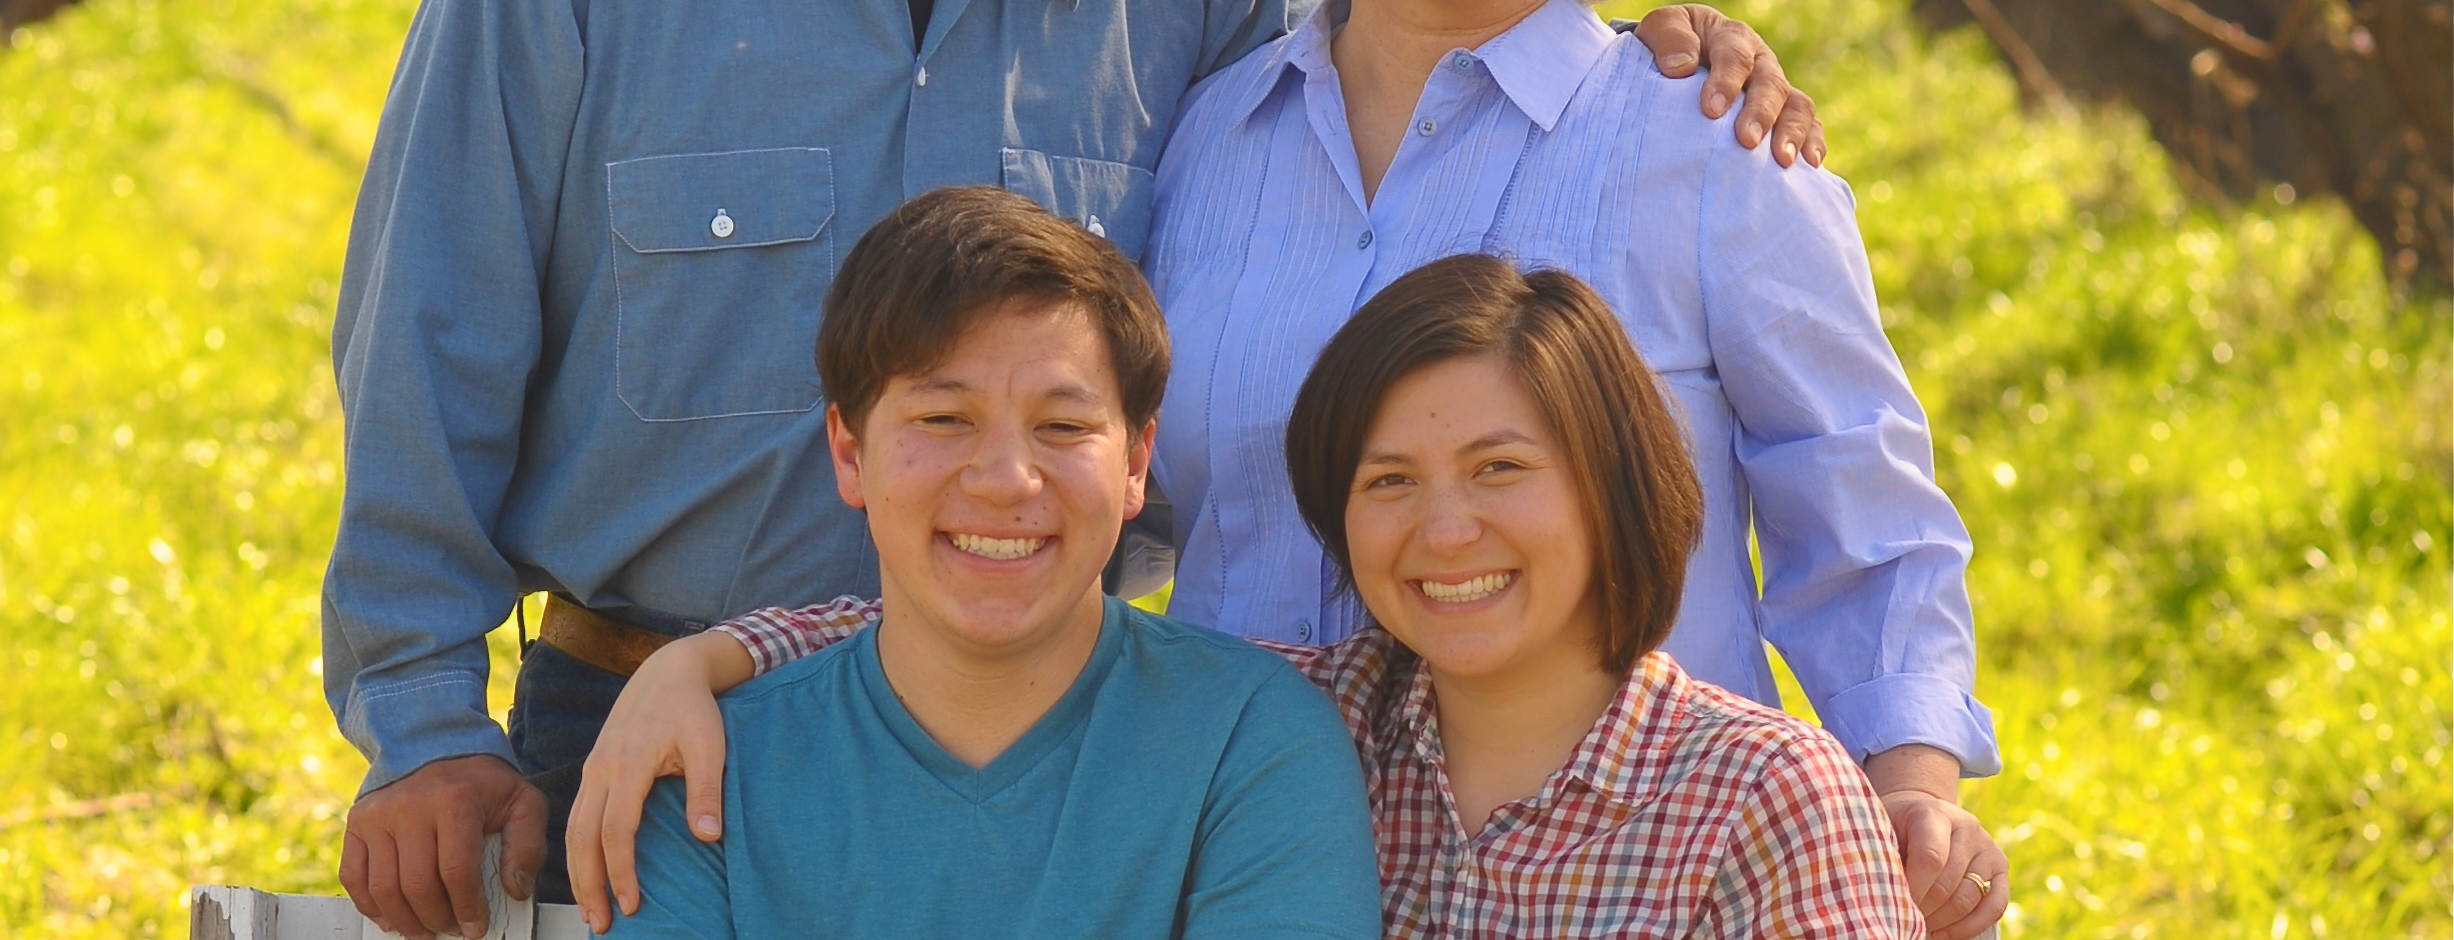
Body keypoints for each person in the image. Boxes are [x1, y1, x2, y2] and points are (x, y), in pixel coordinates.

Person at [323, 0, 1815, 940]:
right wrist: (427, 724)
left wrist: (1640, 48)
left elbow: (1426, 34)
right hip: (658, 721)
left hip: (1081, 761)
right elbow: (426, 346)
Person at [1137, 0, 2007, 938]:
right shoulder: (1206, 134)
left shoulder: (1705, 145)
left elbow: (1857, 492)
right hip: (1242, 863)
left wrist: (1904, 782)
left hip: (1614, 871)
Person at [575, 256, 1956, 938]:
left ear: (1608, 481)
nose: (1443, 527)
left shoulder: (1759, 791)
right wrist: (698, 662)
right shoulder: (1305, 712)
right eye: (1387, 480)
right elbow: (997, 621)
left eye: (1497, 468)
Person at [604, 185, 1381, 940]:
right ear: (849, 452)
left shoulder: (1253, 740)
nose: (1007, 477)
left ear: (1137, 462)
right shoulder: (707, 764)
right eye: (944, 418)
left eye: (1063, 424)